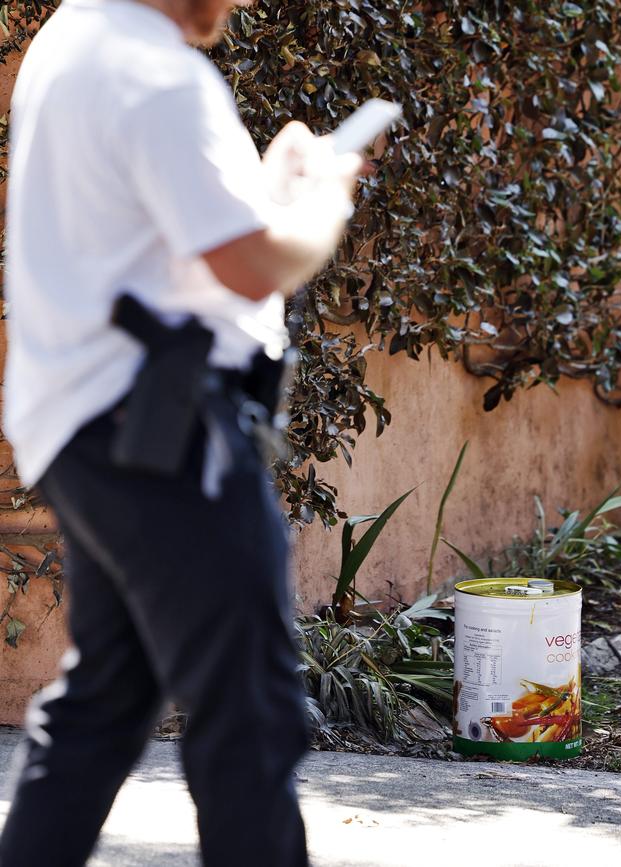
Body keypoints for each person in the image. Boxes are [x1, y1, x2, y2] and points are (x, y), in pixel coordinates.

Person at [0, 0, 362, 865]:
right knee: (253, 714)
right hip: (163, 435)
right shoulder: (153, 72)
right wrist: (323, 204)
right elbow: (248, 263)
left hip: (94, 433)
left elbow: (168, 242)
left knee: (102, 708)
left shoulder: (77, 38)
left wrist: (266, 186)